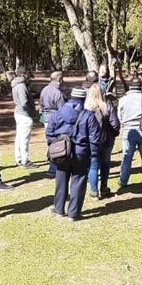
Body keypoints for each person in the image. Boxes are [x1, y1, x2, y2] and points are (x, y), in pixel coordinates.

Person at [46, 87, 100, 221]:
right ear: (84, 99)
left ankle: (59, 209)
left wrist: (56, 146)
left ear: (71, 97)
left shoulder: (58, 113)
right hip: (81, 153)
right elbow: (94, 139)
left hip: (62, 153)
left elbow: (49, 133)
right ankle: (73, 213)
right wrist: (93, 155)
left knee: (61, 181)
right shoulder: (89, 115)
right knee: (79, 182)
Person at [118, 78, 142, 188]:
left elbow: (120, 116)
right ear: (140, 86)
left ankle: (123, 181)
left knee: (126, 157)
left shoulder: (123, 99)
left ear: (130, 86)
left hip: (128, 130)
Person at [85, 83, 120, 199]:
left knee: (93, 165)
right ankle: (104, 188)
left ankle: (94, 192)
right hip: (107, 141)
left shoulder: (86, 107)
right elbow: (115, 123)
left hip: (92, 142)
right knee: (105, 164)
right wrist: (113, 134)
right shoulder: (107, 106)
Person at [40, 71, 67, 177]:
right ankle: (53, 168)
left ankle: (53, 166)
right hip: (56, 120)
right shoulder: (58, 93)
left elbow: (41, 107)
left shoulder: (44, 90)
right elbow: (63, 111)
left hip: (46, 120)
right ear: (59, 79)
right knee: (57, 145)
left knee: (51, 142)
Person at [12, 67, 38, 169]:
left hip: (18, 113)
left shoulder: (15, 84)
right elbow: (24, 102)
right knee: (24, 139)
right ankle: (24, 160)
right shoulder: (21, 86)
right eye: (27, 74)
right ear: (23, 75)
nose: (28, 77)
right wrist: (31, 111)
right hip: (24, 115)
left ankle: (19, 158)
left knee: (19, 137)